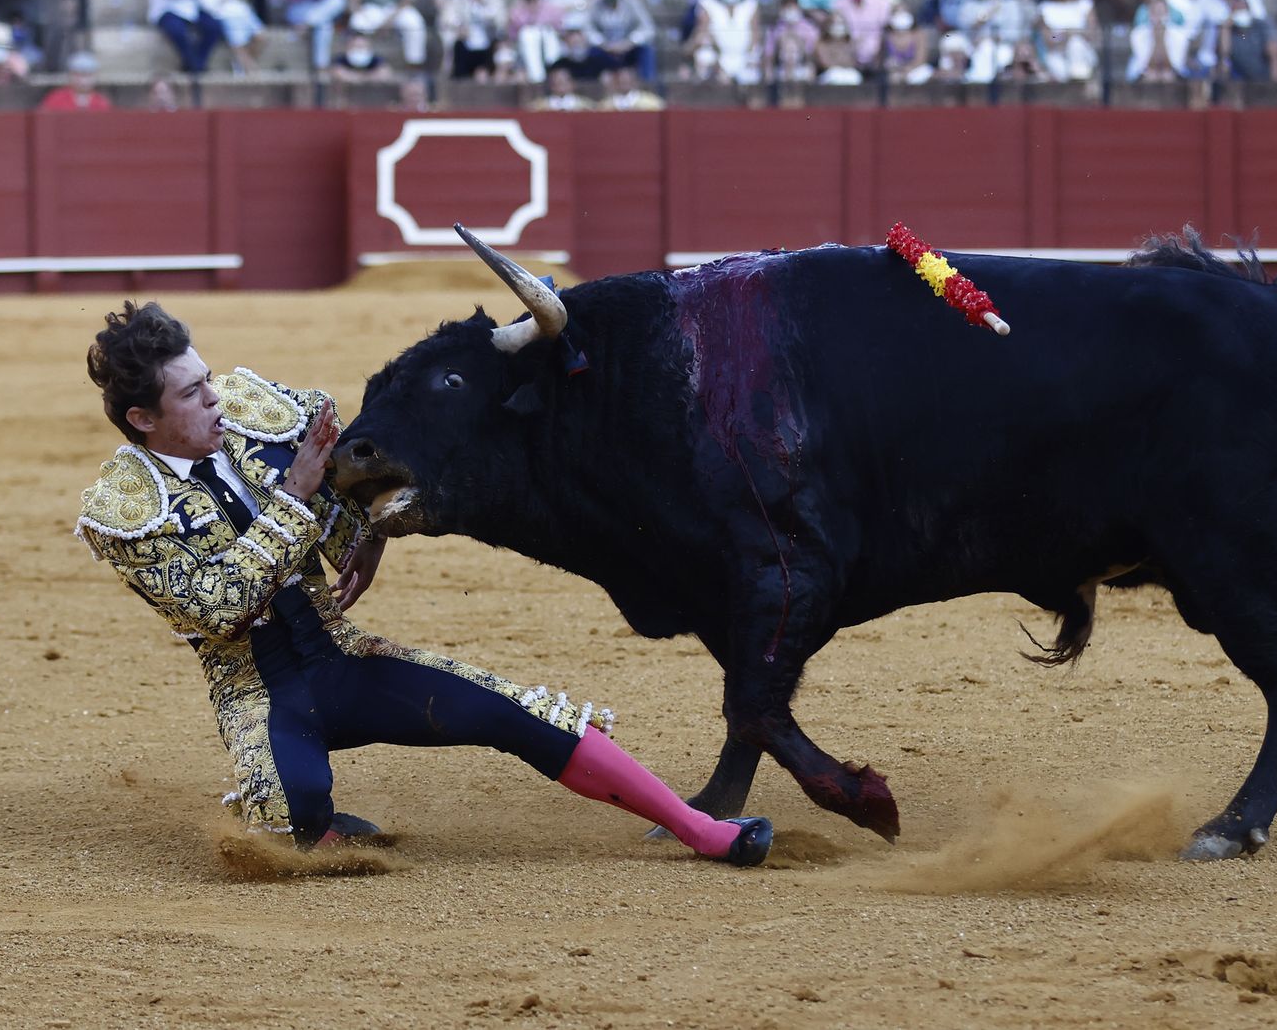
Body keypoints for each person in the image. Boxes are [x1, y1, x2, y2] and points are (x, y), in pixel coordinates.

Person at [77, 303, 774, 864]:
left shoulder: (250, 414)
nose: (216, 399)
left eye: (208, 377)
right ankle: (289, 801)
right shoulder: (124, 510)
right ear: (144, 419)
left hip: (344, 660)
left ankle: (697, 827)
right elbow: (220, 603)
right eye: (193, 393)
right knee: (292, 832)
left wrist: (370, 528)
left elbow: (354, 470)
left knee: (519, 711)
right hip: (260, 696)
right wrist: (294, 494)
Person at [151, 0, 227, 74]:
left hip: (191, 9)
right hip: (168, 10)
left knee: (214, 27)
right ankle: (193, 63)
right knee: (177, 31)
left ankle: (197, 63)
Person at [349, 0, 428, 68]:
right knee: (357, 22)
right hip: (372, 7)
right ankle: (358, 64)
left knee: (415, 23)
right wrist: (356, 7)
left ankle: (414, 64)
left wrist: (390, 20)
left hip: (398, 8)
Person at [282, 0, 348, 72]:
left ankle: (307, 24)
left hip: (322, 7)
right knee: (324, 25)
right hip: (302, 8)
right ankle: (321, 66)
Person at [38, 50, 114, 111]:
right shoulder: (55, 99)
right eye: (78, 74)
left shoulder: (101, 102)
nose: (83, 80)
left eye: (88, 74)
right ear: (70, 75)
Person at [599, 62, 665, 106]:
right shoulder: (605, 105)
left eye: (626, 80)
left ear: (634, 80)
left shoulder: (652, 103)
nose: (623, 82)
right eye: (621, 80)